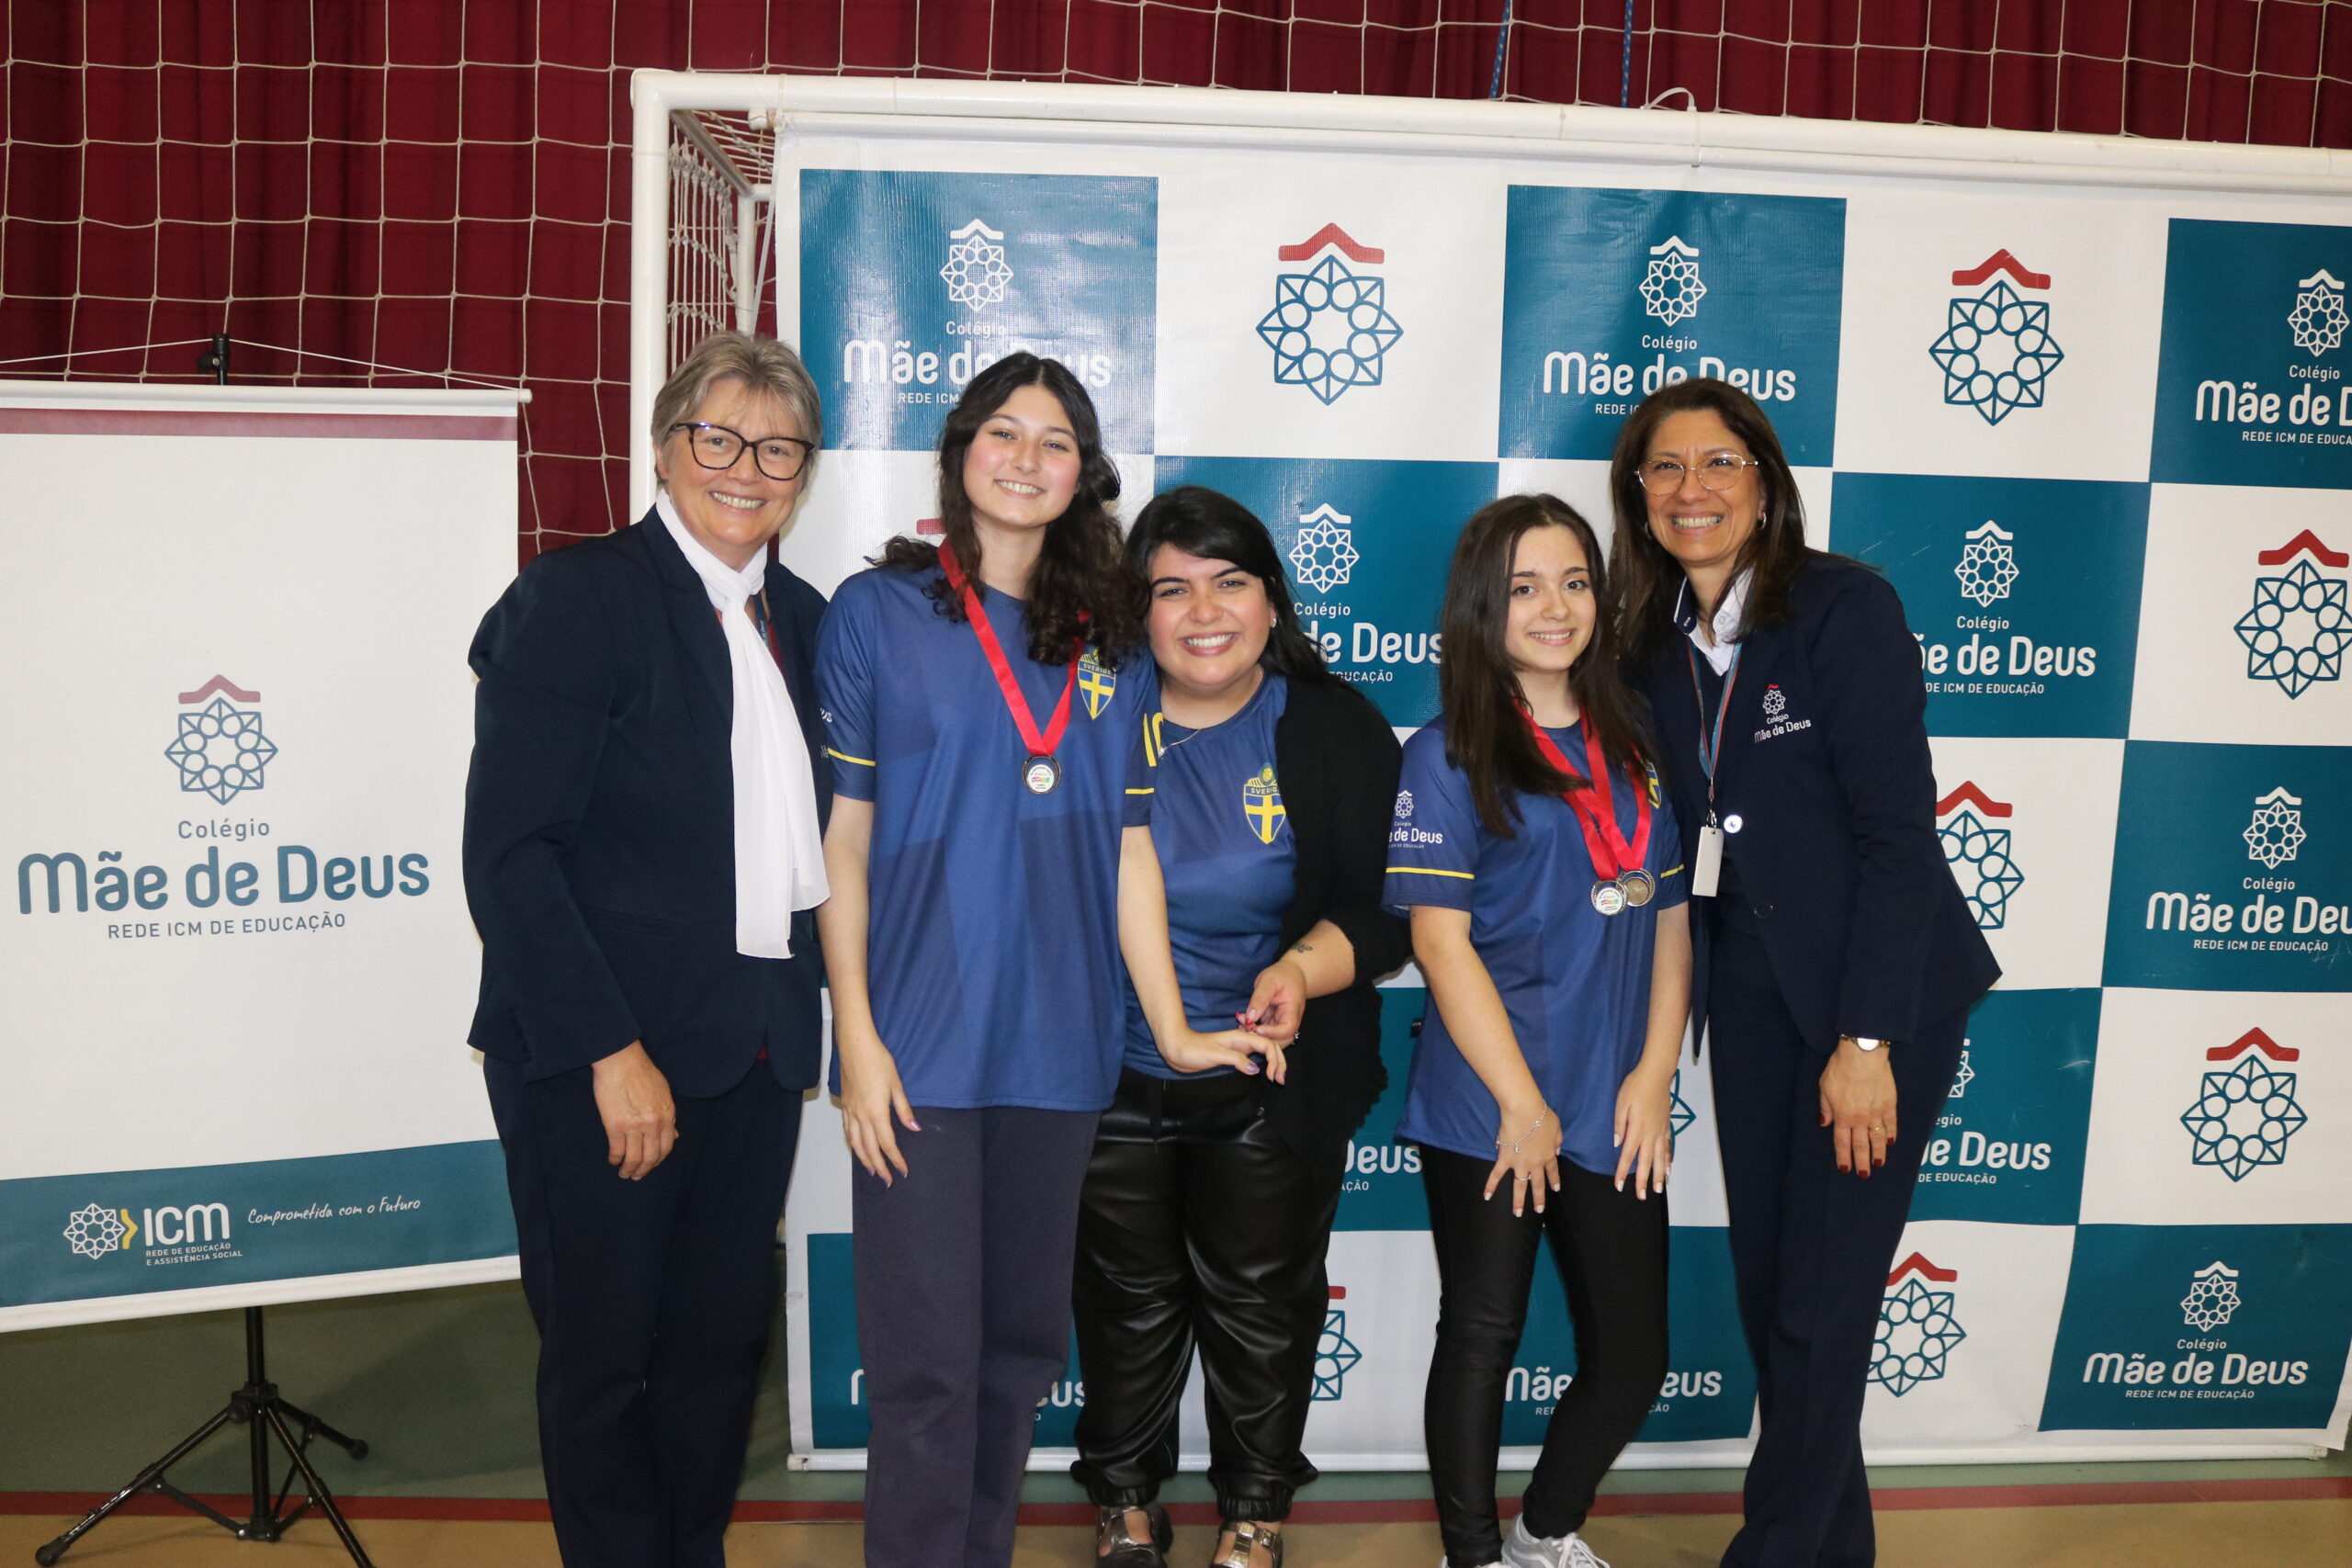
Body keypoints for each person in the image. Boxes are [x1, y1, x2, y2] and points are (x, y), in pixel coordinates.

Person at [815, 357, 1271, 1568]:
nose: (1026, 458)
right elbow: (843, 840)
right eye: (1003, 432)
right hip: (918, 1047)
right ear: (960, 451)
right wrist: (855, 1036)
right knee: (924, 1370)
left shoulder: (1112, 637)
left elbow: (1129, 849)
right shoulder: (879, 613)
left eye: (1055, 440)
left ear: (1084, 473)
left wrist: (1172, 1028)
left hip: (1059, 1049)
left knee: (1016, 1357)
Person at [1609, 378, 1998, 1568]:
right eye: (1666, 468)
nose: (1692, 489)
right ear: (1638, 494)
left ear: (1766, 484)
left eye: (1719, 463)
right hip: (1749, 993)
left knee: (1821, 1311)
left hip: (1874, 1000)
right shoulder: (1647, 641)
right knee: (1781, 1297)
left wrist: (1866, 1039)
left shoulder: (1842, 609)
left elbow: (1898, 836)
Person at [462, 330, 832, 1568]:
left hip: (757, 1051)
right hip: (603, 1054)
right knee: (604, 1357)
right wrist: (607, 1050)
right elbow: (511, 855)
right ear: (666, 449)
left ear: (804, 475)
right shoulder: (576, 600)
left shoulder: (807, 622)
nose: (745, 468)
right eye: (717, 438)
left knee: (717, 1350)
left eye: (776, 449)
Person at [1069, 486, 1409, 1568]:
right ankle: (1125, 1506)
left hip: (1270, 1073)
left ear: (1271, 602)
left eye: (1229, 583)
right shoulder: (1087, 714)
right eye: (1171, 589)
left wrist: (1301, 970)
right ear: (1136, 611)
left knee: (1263, 1309)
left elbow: (1384, 913)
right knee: (1123, 1307)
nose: (1204, 611)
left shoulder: (1332, 727)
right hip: (1105, 1074)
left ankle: (1254, 1514)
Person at [1386, 495, 1691, 1568]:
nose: (1554, 607)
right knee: (1481, 1338)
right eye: (1523, 587)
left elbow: (1666, 918)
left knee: (1635, 1354)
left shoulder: (1635, 740)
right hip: (1488, 1100)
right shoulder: (1447, 753)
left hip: (1613, 1095)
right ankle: (1470, 1556)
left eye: (1573, 582)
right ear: (1483, 605)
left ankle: (1543, 1532)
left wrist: (1654, 1072)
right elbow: (1439, 945)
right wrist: (1520, 1107)